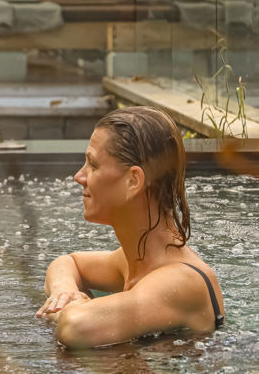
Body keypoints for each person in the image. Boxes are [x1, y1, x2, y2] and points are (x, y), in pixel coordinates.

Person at [35, 106, 224, 348]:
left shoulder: (183, 281)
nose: (79, 176)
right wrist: (64, 292)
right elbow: (67, 262)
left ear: (133, 181)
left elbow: (75, 326)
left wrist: (60, 311)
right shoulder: (135, 259)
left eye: (92, 165)